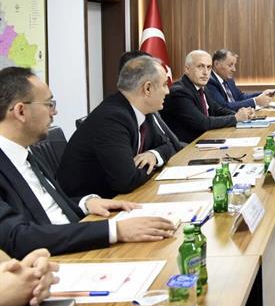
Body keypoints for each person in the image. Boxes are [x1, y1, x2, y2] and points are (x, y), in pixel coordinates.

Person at [0, 67, 175, 259]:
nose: (55, 111)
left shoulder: (26, 152)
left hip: (75, 242)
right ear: (21, 111)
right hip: (51, 260)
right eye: (49, 104)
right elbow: (17, 237)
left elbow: (49, 206)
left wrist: (86, 203)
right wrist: (115, 230)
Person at [58, 56, 177, 198]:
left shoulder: (143, 110)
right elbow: (126, 181)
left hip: (119, 196)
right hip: (89, 204)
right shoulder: (112, 119)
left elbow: (168, 145)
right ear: (147, 88)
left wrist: (154, 156)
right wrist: (153, 165)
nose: (167, 91)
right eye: (164, 85)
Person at [161, 50, 253, 143]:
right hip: (186, 147)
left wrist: (242, 113)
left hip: (204, 140)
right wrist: (236, 118)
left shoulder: (202, 88)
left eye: (209, 67)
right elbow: (202, 123)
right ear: (187, 69)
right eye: (200, 66)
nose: (206, 72)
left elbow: (217, 110)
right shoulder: (179, 92)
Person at [119, 50, 185, 151]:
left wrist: (155, 154)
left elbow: (170, 143)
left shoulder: (149, 109)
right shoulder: (121, 118)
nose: (167, 91)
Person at [206, 49, 274, 110]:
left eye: (234, 65)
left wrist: (261, 94)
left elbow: (240, 97)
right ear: (217, 64)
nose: (234, 69)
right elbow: (224, 107)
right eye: (230, 65)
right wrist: (256, 101)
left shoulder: (229, 79)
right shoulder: (209, 81)